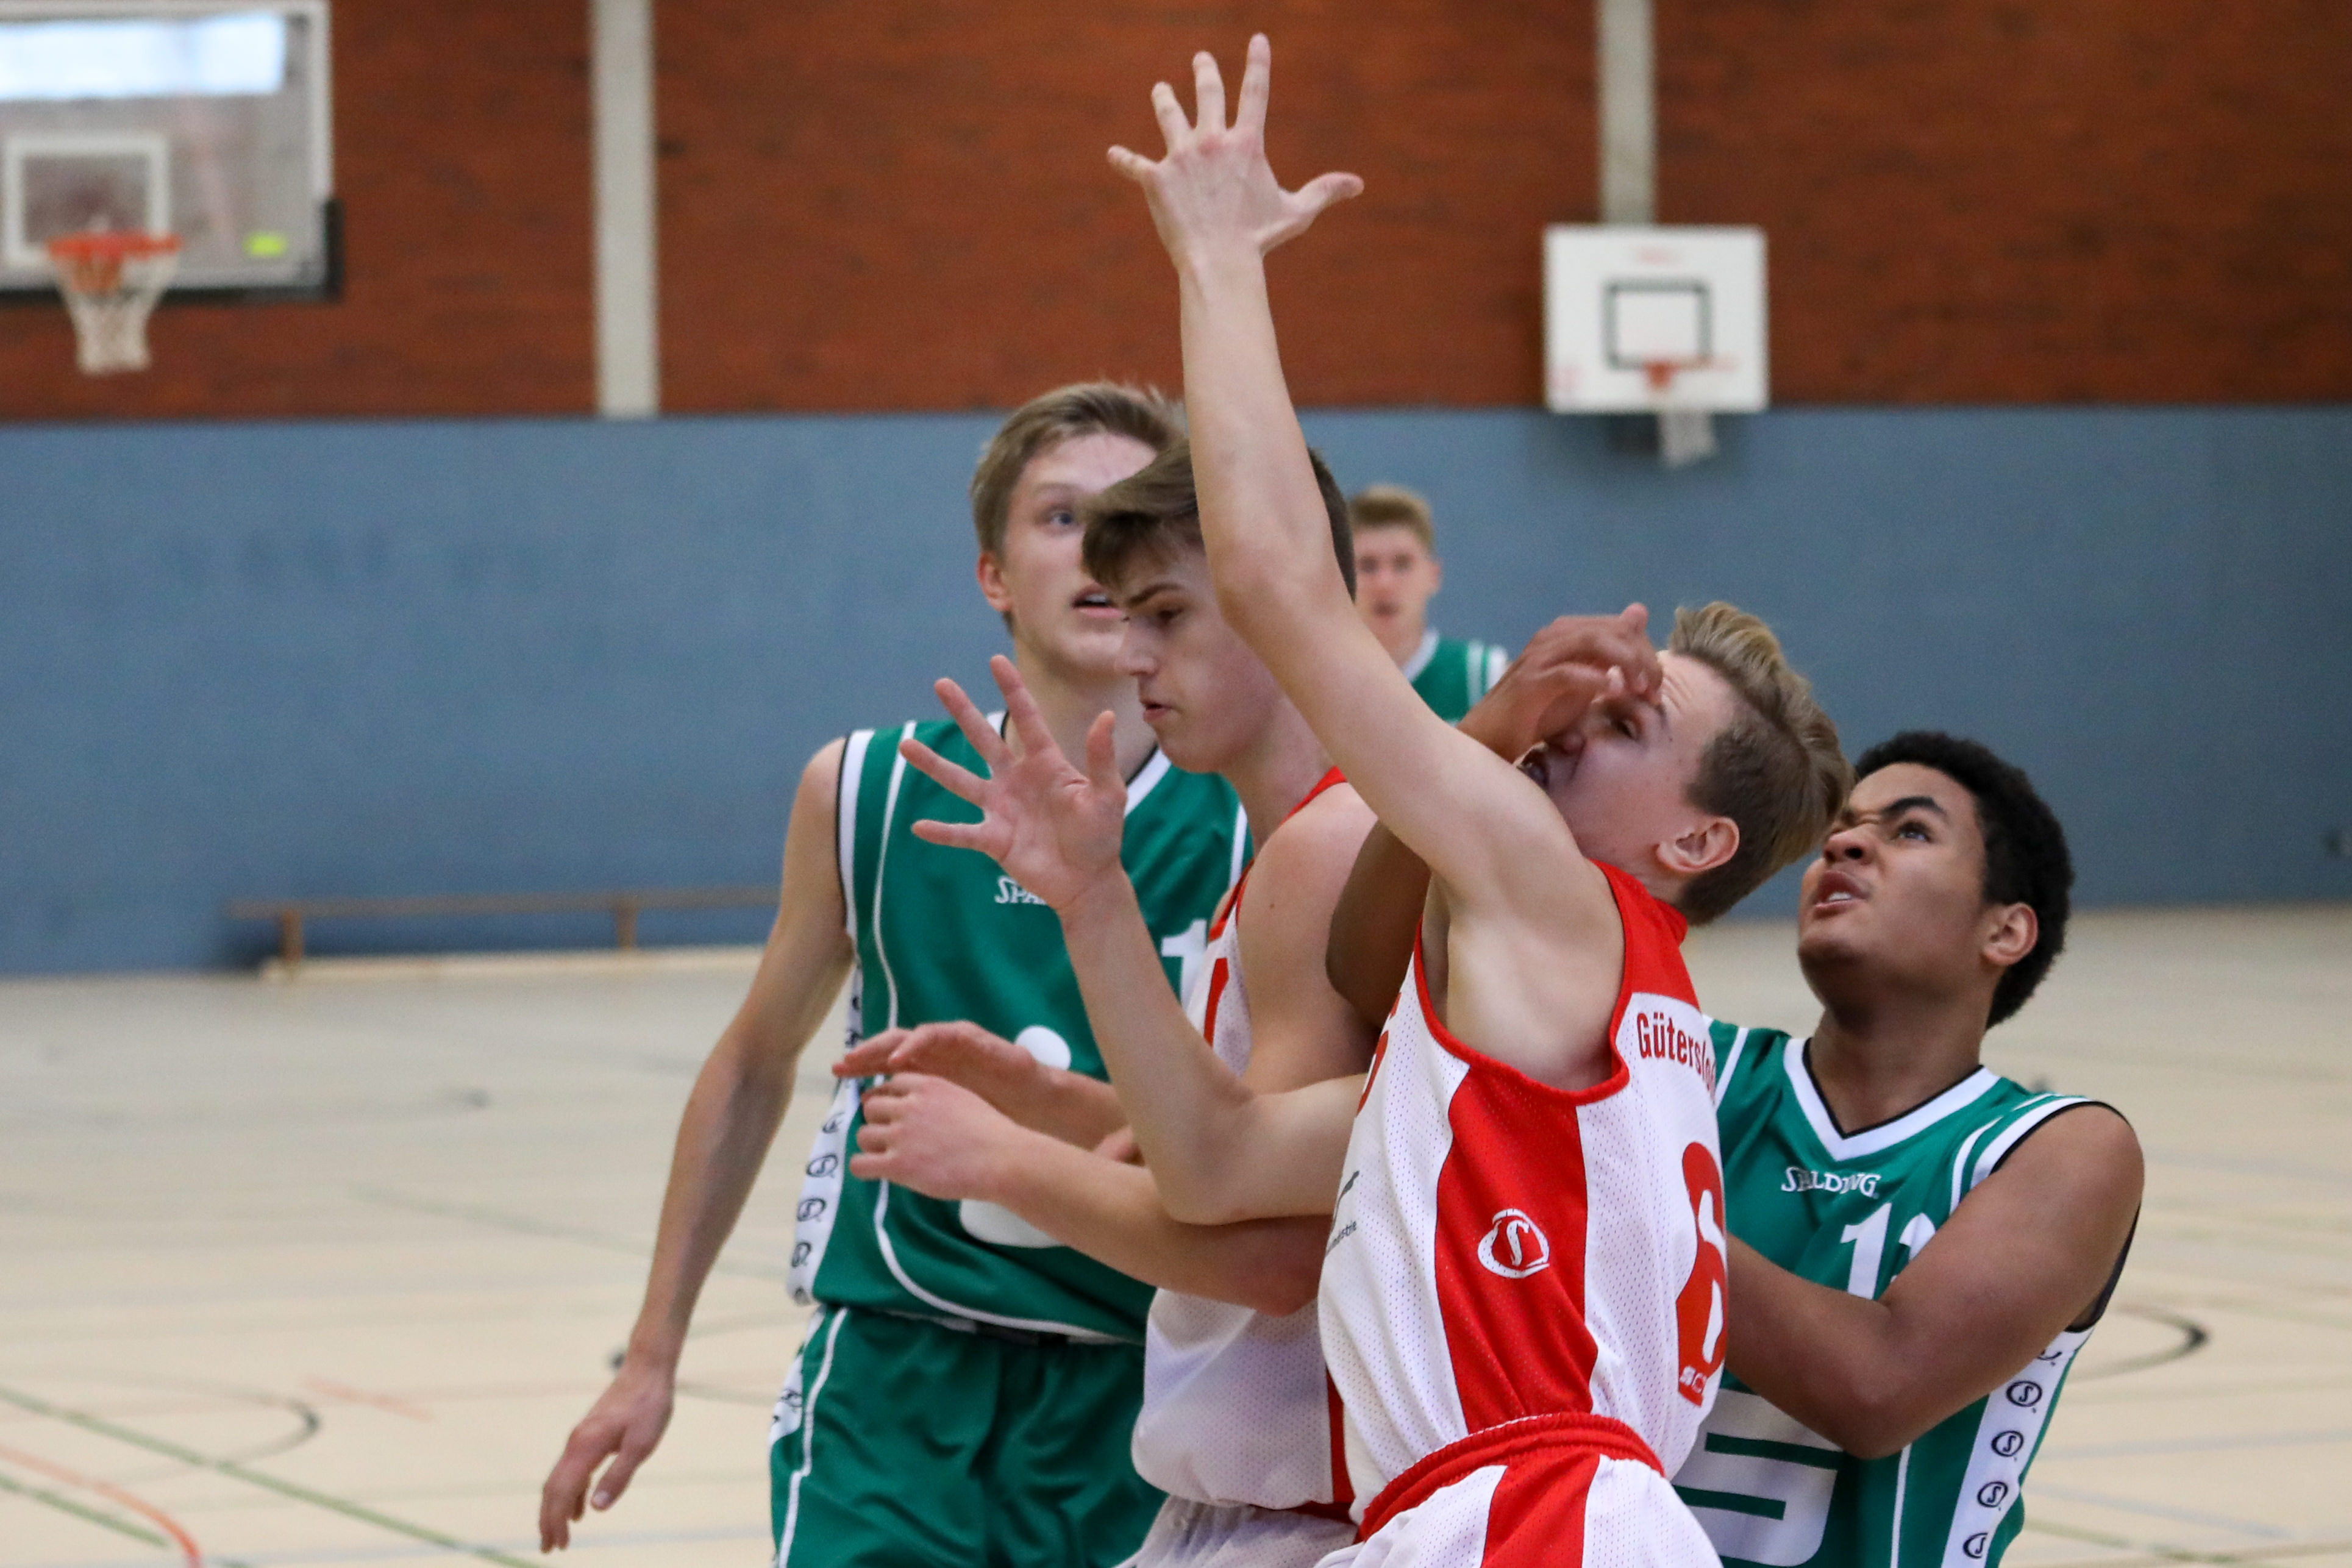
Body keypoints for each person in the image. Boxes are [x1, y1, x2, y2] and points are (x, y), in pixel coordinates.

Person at [894, 37, 1847, 1568]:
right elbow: (1214, 1163)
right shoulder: (1531, 1044)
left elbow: (1278, 578)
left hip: (1526, 1513)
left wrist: (1219, 260)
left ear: (1693, 841)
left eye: (1630, 718)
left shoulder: (1560, 904)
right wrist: (1093, 896)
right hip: (1505, 1512)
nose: (1580, 710)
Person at [536, 383, 1252, 1568]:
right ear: (992, 573)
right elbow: (753, 1061)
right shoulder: (863, 790)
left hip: (1142, 1385)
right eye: (1060, 517)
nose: (1095, 548)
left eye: (1127, 519)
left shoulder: (1248, 817)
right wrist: (652, 1351)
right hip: (897, 1376)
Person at [1325, 735, 2144, 1568]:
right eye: (1842, 827)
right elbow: (1368, 975)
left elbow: (1878, 1387)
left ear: (2005, 930)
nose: (1846, 844)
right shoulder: (1685, 1059)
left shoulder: (2061, 1147)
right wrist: (1486, 743)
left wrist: (1613, 1190)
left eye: (1908, 831)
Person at [836, 438, 1378, 1568]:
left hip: (1318, 1514)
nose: (1132, 655)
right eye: (1127, 617)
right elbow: (1259, 1161)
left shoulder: (1327, 848)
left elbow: (1270, 1257)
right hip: (1251, 1509)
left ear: (1285, 598)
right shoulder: (1280, 851)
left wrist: (1001, 1159)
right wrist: (1054, 1101)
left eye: (1166, 616)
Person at [1349, 483, 1506, 721]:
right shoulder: (1310, 682)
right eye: (1367, 566)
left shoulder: (1486, 678)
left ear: (1434, 576)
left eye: (1402, 565)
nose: (1385, 584)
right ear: (1341, 577)